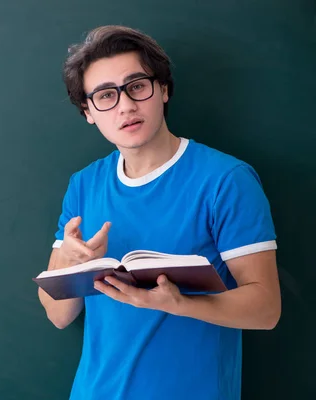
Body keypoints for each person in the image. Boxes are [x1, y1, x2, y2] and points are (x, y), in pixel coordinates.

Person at [37, 25, 281, 400]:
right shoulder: (84, 185)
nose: (125, 106)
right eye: (105, 96)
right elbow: (59, 315)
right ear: (88, 111)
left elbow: (265, 310)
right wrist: (67, 260)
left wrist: (181, 303)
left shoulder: (226, 180)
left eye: (137, 86)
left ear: (163, 90)